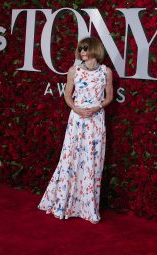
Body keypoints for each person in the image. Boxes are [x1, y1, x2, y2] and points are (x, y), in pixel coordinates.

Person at [37, 36, 113, 224]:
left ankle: (88, 209)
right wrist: (75, 108)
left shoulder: (106, 72)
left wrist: (97, 107)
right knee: (70, 158)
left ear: (95, 49)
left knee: (92, 162)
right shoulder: (74, 70)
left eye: (86, 48)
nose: (82, 52)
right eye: (80, 49)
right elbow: (67, 95)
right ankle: (64, 204)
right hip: (77, 119)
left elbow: (109, 96)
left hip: (95, 120)